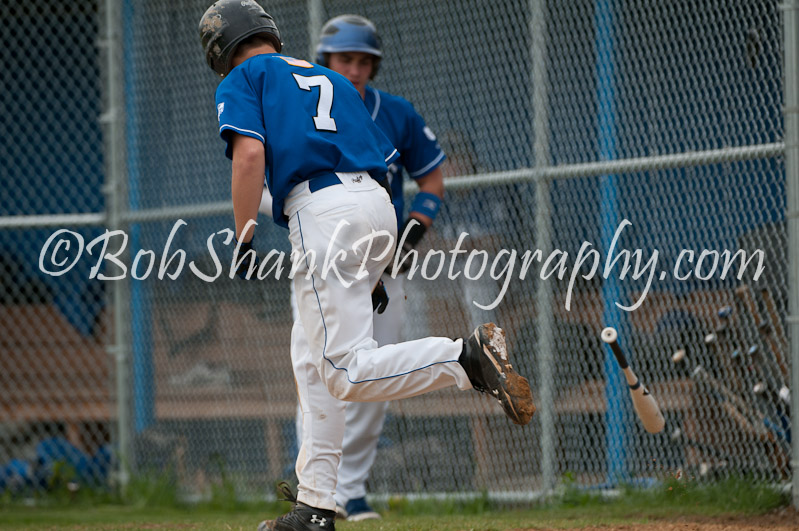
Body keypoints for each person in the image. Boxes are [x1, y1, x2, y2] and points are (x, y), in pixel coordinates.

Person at [198, 2, 535, 530]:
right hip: (375, 207)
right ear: (268, 31)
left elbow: (248, 159)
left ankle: (466, 359)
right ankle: (314, 507)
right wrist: (376, 266)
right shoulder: (329, 78)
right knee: (312, 363)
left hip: (321, 212)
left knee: (342, 372)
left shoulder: (245, 75)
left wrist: (242, 237)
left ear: (221, 50)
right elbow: (379, 170)